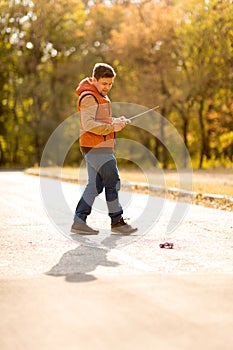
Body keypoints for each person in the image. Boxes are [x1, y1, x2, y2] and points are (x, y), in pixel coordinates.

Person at [71, 63, 138, 235]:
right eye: (104, 84)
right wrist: (112, 128)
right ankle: (117, 222)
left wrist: (116, 120)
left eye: (110, 84)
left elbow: (101, 119)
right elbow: (88, 124)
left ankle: (79, 221)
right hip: (96, 148)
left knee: (94, 186)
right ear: (94, 80)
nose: (107, 87)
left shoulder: (99, 96)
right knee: (113, 181)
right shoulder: (88, 97)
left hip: (100, 147)